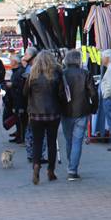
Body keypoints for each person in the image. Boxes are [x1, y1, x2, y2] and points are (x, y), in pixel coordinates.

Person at [23, 51, 65, 184]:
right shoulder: (56, 74)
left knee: (37, 141)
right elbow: (61, 94)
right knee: (52, 142)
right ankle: (51, 170)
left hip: (36, 114)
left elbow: (25, 93)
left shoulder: (32, 75)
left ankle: (36, 165)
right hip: (53, 113)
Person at [60, 49, 97, 181]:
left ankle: (71, 165)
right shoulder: (85, 74)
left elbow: (58, 93)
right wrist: (94, 108)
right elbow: (93, 93)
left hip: (65, 111)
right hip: (82, 111)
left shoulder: (62, 74)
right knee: (77, 141)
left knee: (69, 140)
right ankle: (72, 169)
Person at [5, 54, 25, 143]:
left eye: (11, 60)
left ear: (15, 62)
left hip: (19, 98)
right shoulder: (17, 71)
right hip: (15, 98)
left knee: (20, 119)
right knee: (17, 118)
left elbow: (21, 85)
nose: (10, 62)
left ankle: (21, 136)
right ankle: (18, 135)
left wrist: (12, 85)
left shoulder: (20, 71)